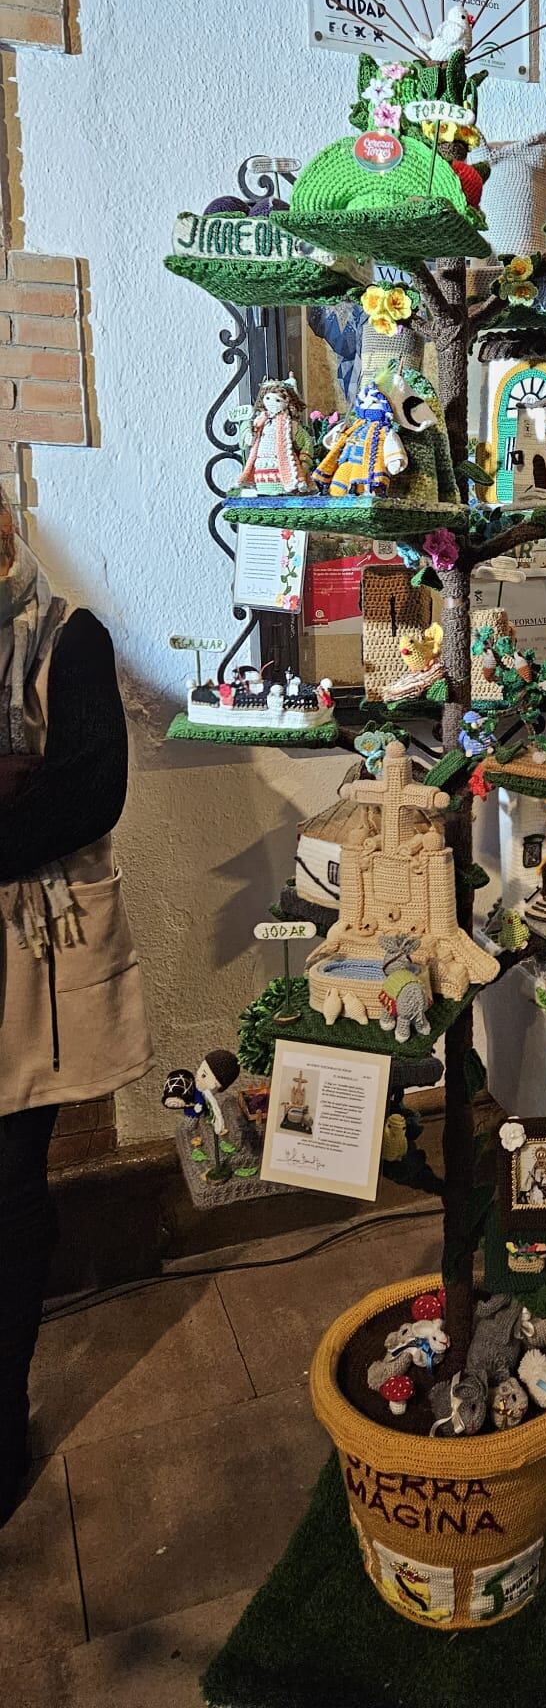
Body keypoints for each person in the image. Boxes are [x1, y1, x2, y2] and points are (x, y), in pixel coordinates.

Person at [0, 487, 150, 1521]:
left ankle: (1, 1416)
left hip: (27, 963)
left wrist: (23, 796)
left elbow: (89, 788)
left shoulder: (69, 639)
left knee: (10, 1192)